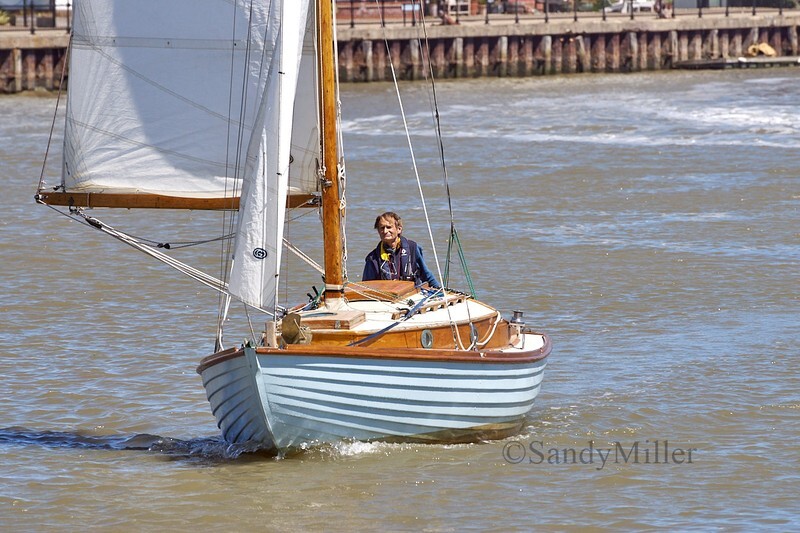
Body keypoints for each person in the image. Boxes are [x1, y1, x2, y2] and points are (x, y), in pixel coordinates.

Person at [362, 212, 441, 289]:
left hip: (412, 295)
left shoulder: (412, 248)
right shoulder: (372, 258)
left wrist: (440, 290)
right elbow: (366, 286)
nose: (385, 231)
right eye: (382, 228)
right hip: (385, 298)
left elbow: (426, 274)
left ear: (399, 229)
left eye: (389, 227)